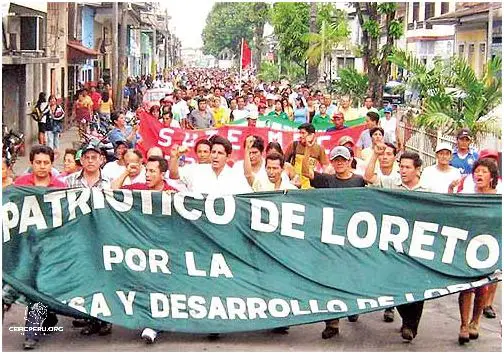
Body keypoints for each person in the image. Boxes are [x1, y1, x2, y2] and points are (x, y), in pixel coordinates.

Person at [365, 147, 429, 342]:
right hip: (393, 246)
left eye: (407, 167)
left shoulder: (429, 192)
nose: (402, 170)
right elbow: (368, 177)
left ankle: (411, 325)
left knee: (417, 287)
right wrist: (375, 155)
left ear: (417, 170)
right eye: (401, 166)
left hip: (418, 246)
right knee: (393, 283)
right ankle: (406, 318)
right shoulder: (391, 183)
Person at [301, 143, 365, 338]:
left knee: (351, 275)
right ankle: (333, 323)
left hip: (352, 237)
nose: (339, 163)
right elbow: (306, 172)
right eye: (336, 160)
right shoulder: (327, 180)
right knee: (330, 278)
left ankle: (352, 305)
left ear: (349, 162)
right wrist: (307, 149)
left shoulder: (359, 181)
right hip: (329, 237)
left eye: (342, 160)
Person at [12, 145, 65, 350]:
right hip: (27, 245)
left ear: (52, 164)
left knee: (42, 285)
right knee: (33, 285)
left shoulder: (60, 186)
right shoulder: (20, 184)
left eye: (46, 163)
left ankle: (39, 325)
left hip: (52, 245)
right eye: (38, 162)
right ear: (31, 163)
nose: (42, 166)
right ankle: (39, 325)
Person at [452, 158, 500, 344]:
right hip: (467, 245)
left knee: (482, 288)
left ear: (492, 177)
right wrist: (450, 192)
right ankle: (464, 325)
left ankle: (475, 321)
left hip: (489, 247)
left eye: (484, 171)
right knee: (465, 287)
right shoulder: (466, 195)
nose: (479, 174)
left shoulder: (498, 198)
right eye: (477, 171)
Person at [172, 136, 252, 194]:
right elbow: (174, 175)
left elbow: (248, 199)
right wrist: (174, 157)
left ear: (228, 156)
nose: (215, 156)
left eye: (220, 153)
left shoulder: (236, 177)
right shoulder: (196, 170)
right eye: (213, 152)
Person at [284, 123, 330, 189]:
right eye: (300, 133)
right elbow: (284, 163)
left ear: (311, 135)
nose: (300, 135)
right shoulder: (293, 145)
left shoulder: (319, 148)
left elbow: (325, 166)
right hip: (295, 185)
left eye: (303, 133)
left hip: (310, 185)